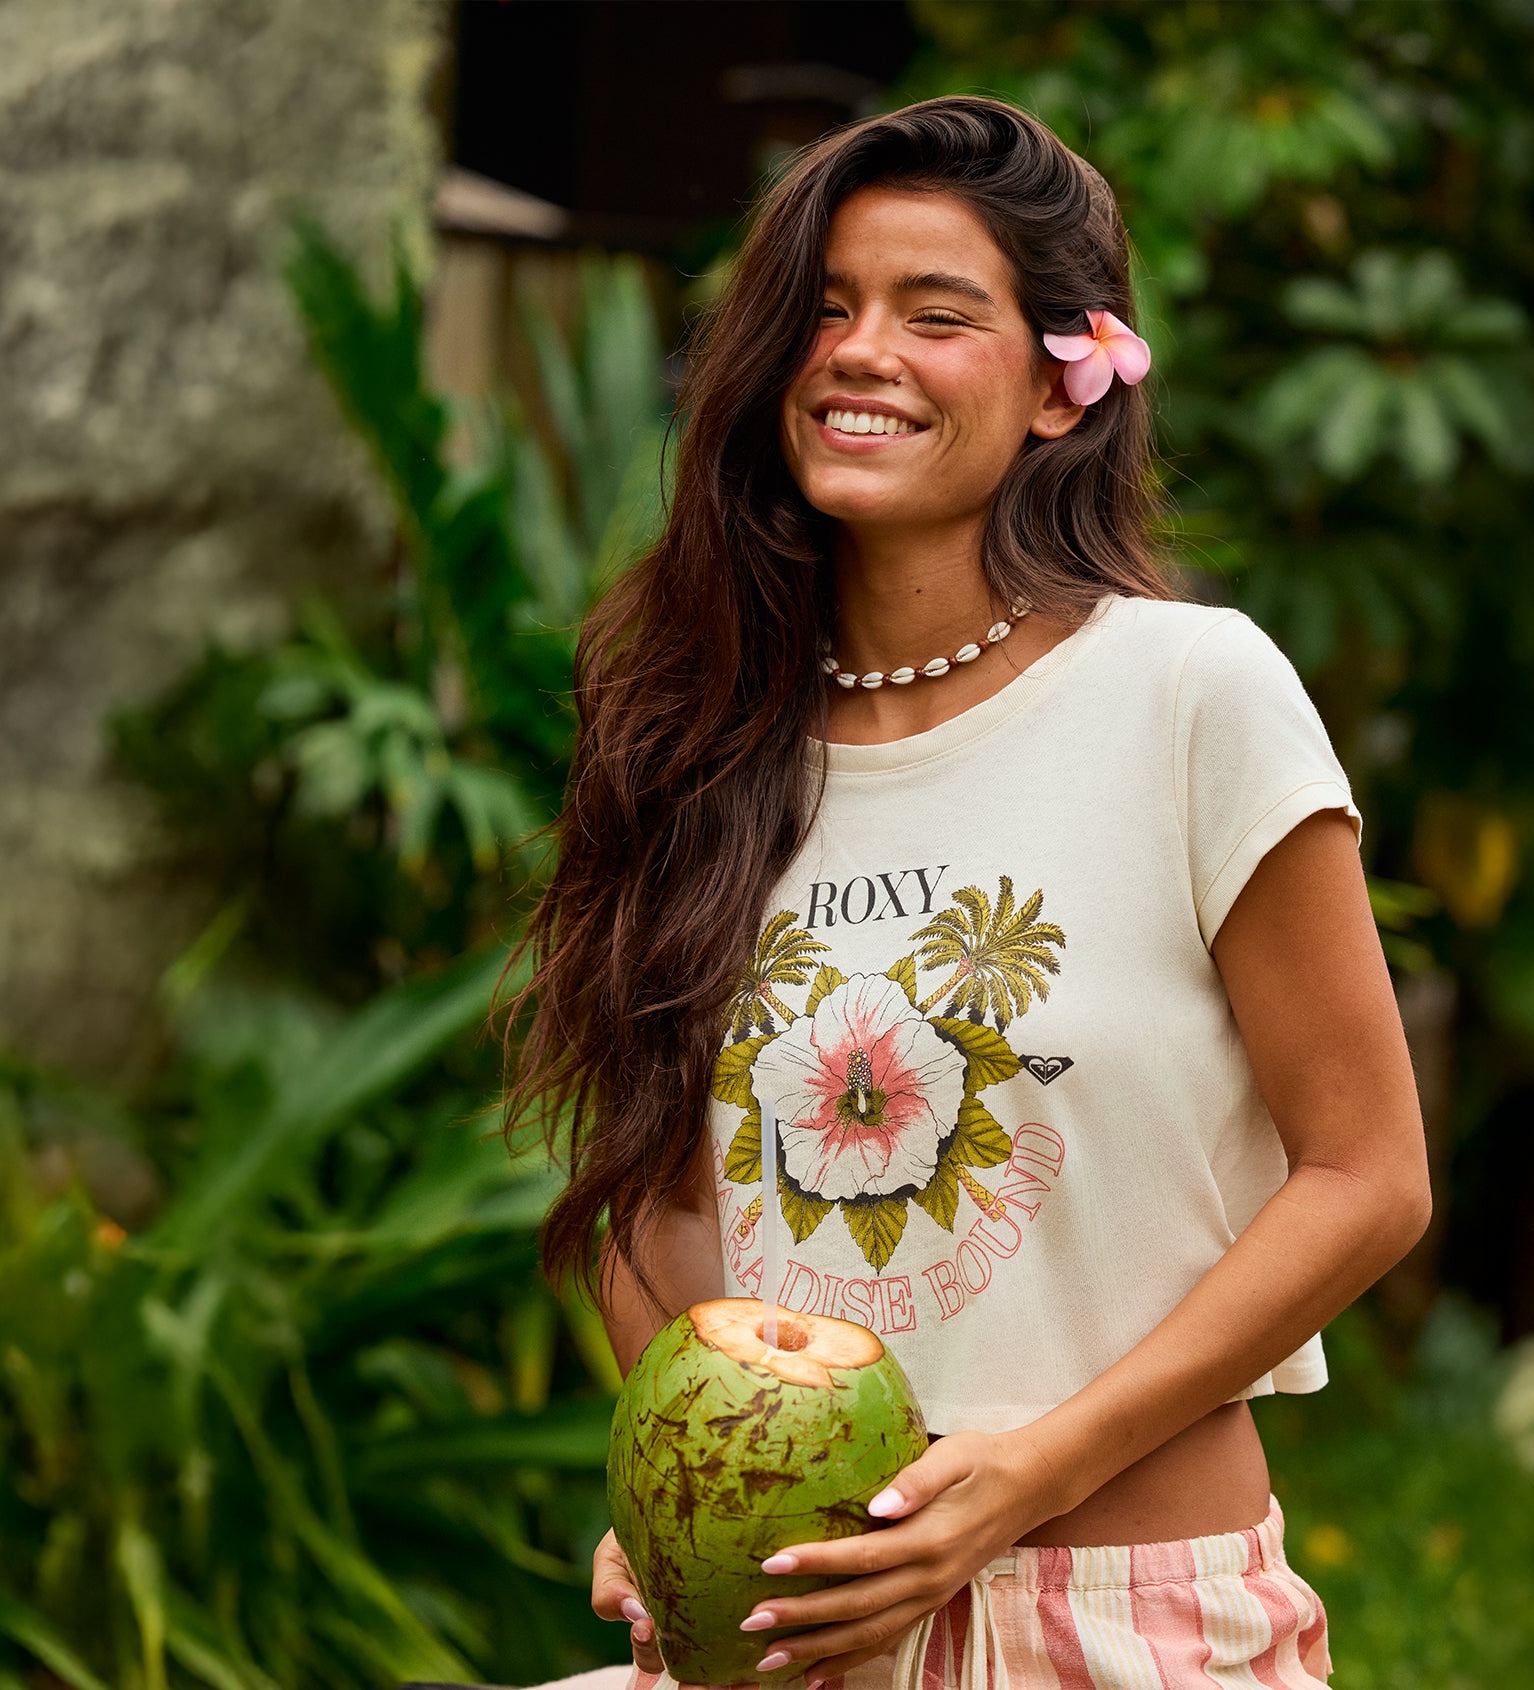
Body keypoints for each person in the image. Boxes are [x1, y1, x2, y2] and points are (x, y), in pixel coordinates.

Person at [506, 95, 1430, 1690]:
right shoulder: (699, 736)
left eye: (938, 315)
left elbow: (1369, 1172)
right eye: (827, 308)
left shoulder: (1193, 694)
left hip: (1130, 1625)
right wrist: (686, 1494)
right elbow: (643, 1187)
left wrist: (1030, 1470)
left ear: (1067, 385)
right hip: (791, 1636)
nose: (860, 350)